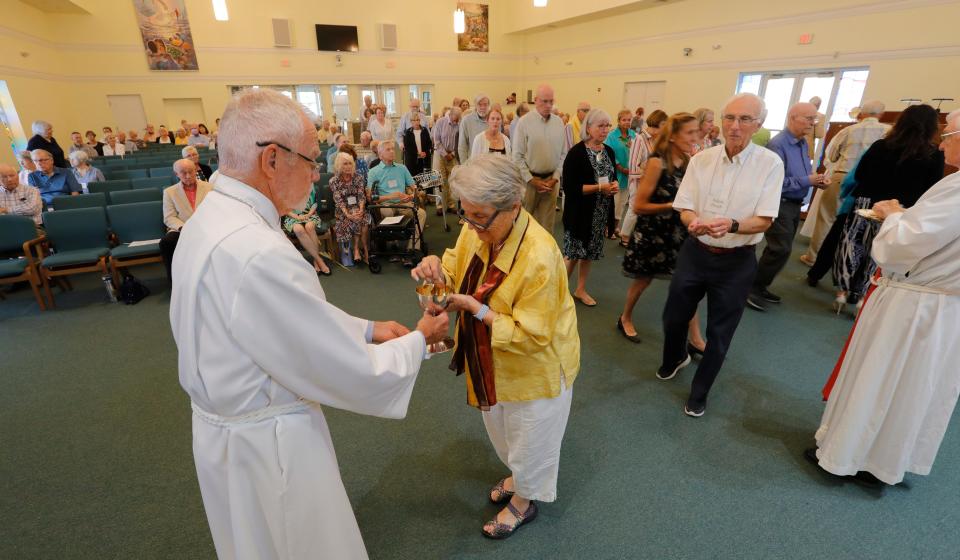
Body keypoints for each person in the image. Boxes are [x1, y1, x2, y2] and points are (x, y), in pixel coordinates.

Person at [169, 88, 449, 559]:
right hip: (270, 446)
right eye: (312, 159)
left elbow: (279, 323)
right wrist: (419, 340)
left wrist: (364, 328)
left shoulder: (212, 215)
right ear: (272, 160)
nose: (317, 172)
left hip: (227, 434)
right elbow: (341, 367)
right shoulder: (259, 251)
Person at [411, 154, 580, 540]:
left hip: (535, 366)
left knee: (531, 437)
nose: (470, 225)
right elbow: (458, 262)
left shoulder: (540, 255)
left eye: (479, 217)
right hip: (490, 357)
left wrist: (476, 309)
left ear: (514, 207)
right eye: (465, 214)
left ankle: (524, 501)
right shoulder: (480, 224)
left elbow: (533, 336)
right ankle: (516, 475)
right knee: (502, 429)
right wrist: (438, 267)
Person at [806, 109, 960, 488]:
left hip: (916, 303)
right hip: (943, 306)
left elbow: (900, 248)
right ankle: (883, 459)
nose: (942, 142)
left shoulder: (956, 188)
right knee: (911, 387)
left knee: (880, 377)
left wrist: (891, 216)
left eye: (949, 133)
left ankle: (846, 455)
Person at [657, 93, 784, 418]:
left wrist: (733, 224)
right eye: (729, 118)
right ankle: (676, 357)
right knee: (674, 314)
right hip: (695, 252)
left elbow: (766, 219)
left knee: (720, 332)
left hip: (736, 261)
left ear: (759, 124)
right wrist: (692, 221)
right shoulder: (702, 159)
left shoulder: (770, 164)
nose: (735, 126)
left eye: (745, 119)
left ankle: (700, 392)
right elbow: (684, 206)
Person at [833, 104, 945, 311]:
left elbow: (860, 175)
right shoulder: (933, 155)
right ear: (931, 128)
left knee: (853, 247)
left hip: (867, 204)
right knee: (881, 253)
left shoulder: (880, 146)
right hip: (901, 211)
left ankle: (842, 292)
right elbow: (930, 190)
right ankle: (863, 296)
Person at [619, 113, 705, 353]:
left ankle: (696, 338)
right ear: (674, 135)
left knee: (687, 285)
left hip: (677, 235)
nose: (695, 137)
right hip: (652, 234)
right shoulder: (657, 162)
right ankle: (625, 317)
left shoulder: (688, 162)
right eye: (689, 132)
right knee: (642, 280)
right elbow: (639, 206)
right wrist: (672, 206)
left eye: (696, 132)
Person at [746, 102, 828, 311]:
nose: (813, 123)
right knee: (779, 248)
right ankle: (750, 288)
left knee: (782, 249)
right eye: (809, 118)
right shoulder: (778, 145)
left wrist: (814, 181)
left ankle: (760, 285)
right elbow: (776, 182)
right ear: (793, 118)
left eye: (814, 119)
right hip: (780, 203)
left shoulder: (801, 143)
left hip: (793, 204)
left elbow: (799, 175)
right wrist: (807, 181)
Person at [801, 100, 889, 266]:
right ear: (881, 114)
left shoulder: (849, 130)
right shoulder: (889, 132)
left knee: (827, 218)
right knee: (861, 225)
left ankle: (813, 257)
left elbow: (832, 155)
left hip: (842, 176)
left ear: (861, 113)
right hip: (873, 184)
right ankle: (846, 263)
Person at [561, 109, 618, 307]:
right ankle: (559, 291)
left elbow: (612, 177)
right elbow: (569, 188)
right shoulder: (576, 153)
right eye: (600, 126)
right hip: (579, 213)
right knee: (573, 254)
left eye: (607, 126)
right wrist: (599, 188)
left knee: (589, 254)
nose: (605, 130)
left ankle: (580, 289)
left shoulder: (608, 151)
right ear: (588, 128)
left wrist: (614, 186)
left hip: (599, 213)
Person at [513, 84, 568, 232]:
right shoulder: (524, 122)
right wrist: (531, 180)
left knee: (546, 227)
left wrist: (555, 177)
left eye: (551, 101)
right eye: (544, 101)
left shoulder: (558, 123)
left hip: (552, 182)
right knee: (523, 225)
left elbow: (564, 154)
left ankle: (544, 255)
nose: (549, 105)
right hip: (529, 182)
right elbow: (517, 156)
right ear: (536, 100)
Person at [366, 140, 426, 265]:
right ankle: (393, 247)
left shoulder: (402, 168)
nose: (392, 151)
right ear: (380, 154)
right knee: (388, 212)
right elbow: (371, 197)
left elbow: (413, 187)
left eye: (393, 149)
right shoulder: (373, 172)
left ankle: (412, 248)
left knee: (421, 213)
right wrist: (391, 196)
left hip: (403, 203)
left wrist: (410, 196)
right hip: (385, 204)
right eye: (388, 149)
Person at [621, 109, 667, 245]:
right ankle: (624, 236)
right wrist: (645, 176)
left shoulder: (655, 140)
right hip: (637, 180)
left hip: (648, 181)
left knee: (641, 211)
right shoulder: (639, 138)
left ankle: (633, 235)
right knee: (633, 208)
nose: (665, 129)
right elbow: (633, 166)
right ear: (657, 123)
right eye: (664, 125)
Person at [161, 159, 212, 280]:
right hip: (182, 228)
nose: (188, 176)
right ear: (176, 174)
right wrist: (185, 228)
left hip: (207, 227)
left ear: (195, 170)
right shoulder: (169, 192)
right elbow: (169, 217)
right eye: (183, 172)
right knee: (166, 243)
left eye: (191, 171)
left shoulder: (210, 187)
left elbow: (216, 210)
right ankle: (174, 281)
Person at [282, 175, 333, 277]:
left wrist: (309, 214)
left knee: (309, 227)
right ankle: (319, 259)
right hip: (292, 216)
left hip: (310, 214)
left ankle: (315, 260)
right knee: (298, 229)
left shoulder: (310, 184)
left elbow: (315, 203)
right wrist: (296, 216)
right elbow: (284, 206)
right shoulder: (285, 186)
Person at [330, 152, 369, 265]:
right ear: (339, 166)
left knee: (361, 216)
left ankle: (358, 248)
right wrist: (347, 214)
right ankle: (361, 250)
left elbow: (361, 195)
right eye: (345, 164)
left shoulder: (358, 177)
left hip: (357, 209)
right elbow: (339, 200)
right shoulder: (334, 181)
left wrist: (361, 209)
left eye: (350, 163)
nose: (348, 166)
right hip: (342, 211)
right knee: (358, 218)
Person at [604, 109, 636, 239]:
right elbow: (608, 153)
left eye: (629, 120)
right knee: (614, 202)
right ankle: (607, 228)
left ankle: (616, 226)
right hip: (615, 174)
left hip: (629, 175)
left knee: (622, 203)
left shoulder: (634, 135)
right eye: (624, 120)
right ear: (619, 121)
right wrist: (619, 167)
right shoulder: (611, 136)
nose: (627, 122)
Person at [432, 106, 461, 213]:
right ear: (450, 114)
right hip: (439, 154)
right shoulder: (440, 122)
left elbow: (459, 141)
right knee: (439, 179)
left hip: (452, 155)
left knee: (451, 180)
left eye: (459, 117)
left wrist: (452, 154)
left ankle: (451, 204)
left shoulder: (459, 124)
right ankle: (439, 205)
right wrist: (445, 154)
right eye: (456, 117)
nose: (457, 120)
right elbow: (437, 141)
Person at [0, 163, 43, 228]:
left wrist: (5, 210)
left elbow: (32, 209)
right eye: (4, 177)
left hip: (32, 227)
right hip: (6, 228)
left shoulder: (32, 190)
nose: (9, 179)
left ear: (17, 175)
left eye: (12, 175)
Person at [457, 93, 491, 163]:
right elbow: (462, 146)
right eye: (480, 104)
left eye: (485, 104)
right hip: (473, 163)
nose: (483, 107)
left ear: (488, 105)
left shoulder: (493, 119)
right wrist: (464, 165)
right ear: (475, 106)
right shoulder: (466, 120)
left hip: (490, 164)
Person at [805, 96, 827, 160]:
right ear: (819, 105)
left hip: (792, 146)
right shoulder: (819, 116)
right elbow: (819, 134)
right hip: (807, 148)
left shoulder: (799, 113)